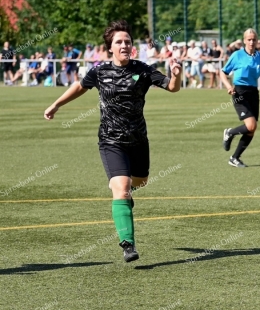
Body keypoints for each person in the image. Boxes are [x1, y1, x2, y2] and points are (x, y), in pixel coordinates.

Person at [43, 19, 182, 263]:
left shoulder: (144, 70)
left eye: (128, 41)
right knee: (121, 187)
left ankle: (126, 197)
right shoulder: (100, 71)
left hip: (138, 140)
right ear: (110, 47)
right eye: (119, 42)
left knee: (140, 182)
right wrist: (56, 104)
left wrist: (176, 75)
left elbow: (172, 88)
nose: (124, 45)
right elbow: (79, 86)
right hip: (110, 141)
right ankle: (128, 244)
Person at [220, 28, 260, 168]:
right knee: (251, 125)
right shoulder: (237, 55)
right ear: (244, 40)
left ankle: (234, 158)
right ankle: (229, 133)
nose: (251, 42)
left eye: (254, 40)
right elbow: (222, 72)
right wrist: (228, 86)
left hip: (253, 93)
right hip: (239, 92)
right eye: (249, 39)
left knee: (251, 130)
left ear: (257, 41)